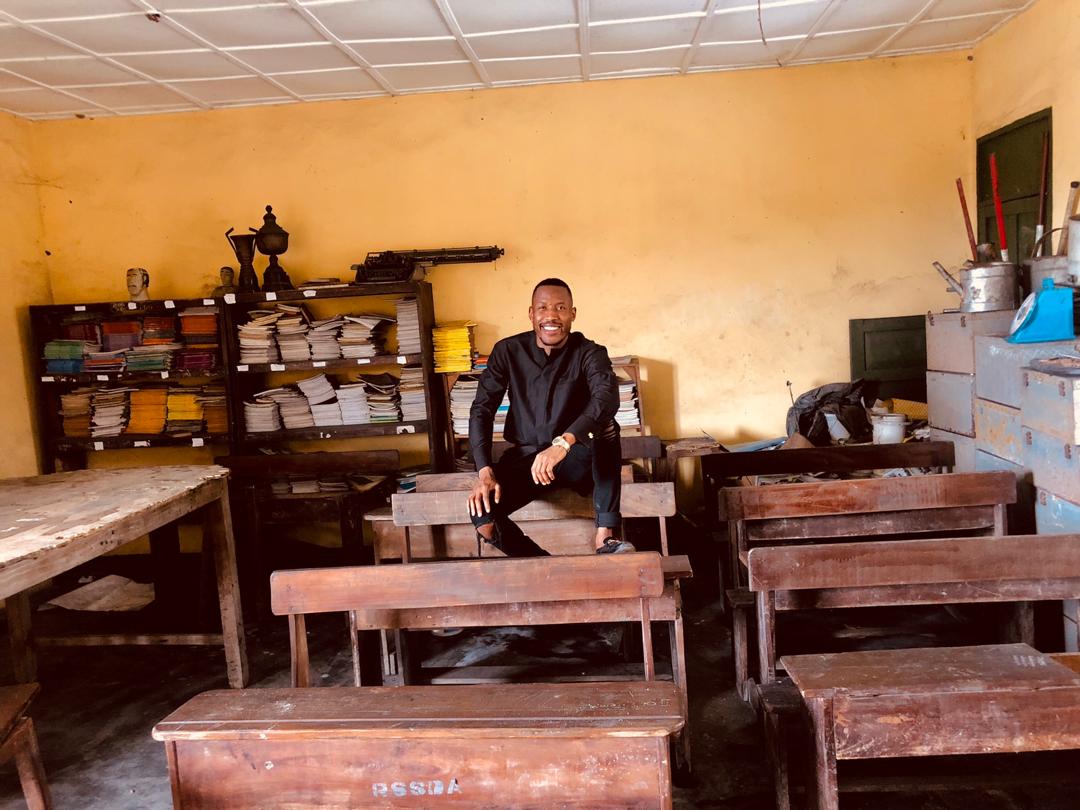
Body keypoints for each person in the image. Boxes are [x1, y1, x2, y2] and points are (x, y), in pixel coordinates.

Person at [467, 278, 634, 556]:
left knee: (606, 425)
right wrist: (484, 471)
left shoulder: (590, 353)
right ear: (531, 313)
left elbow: (606, 399)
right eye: (543, 308)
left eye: (560, 308)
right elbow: (481, 409)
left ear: (573, 314)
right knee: (483, 515)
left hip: (577, 459)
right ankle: (545, 568)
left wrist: (563, 443)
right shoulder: (507, 351)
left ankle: (605, 535)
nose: (551, 315)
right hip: (527, 461)